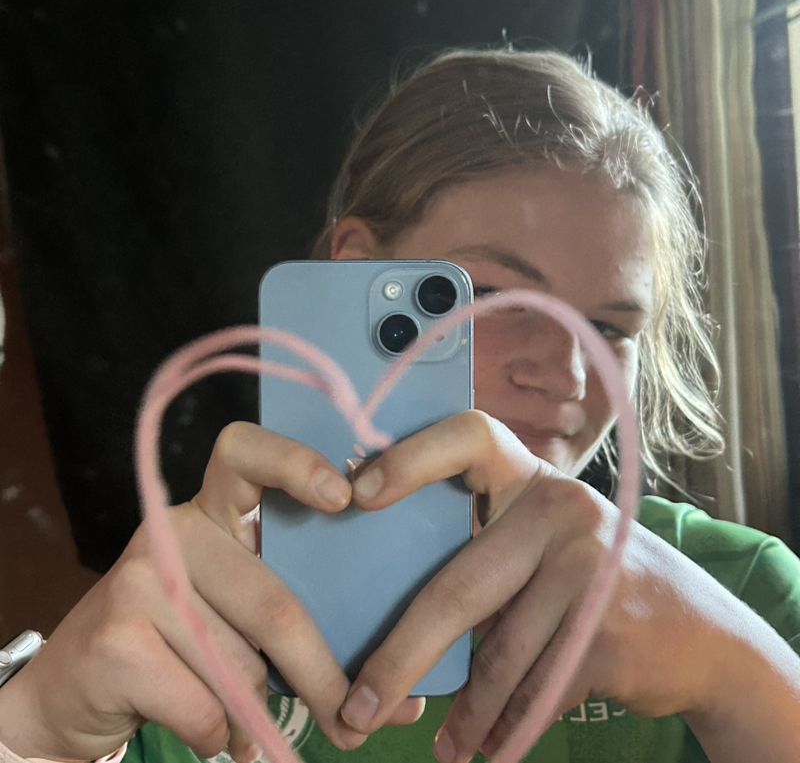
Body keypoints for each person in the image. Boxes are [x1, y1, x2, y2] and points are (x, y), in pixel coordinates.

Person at [1, 48, 799, 763]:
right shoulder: (202, 622)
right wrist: (32, 733)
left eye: (611, 329)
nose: (566, 373)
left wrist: (739, 679)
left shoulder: (744, 592)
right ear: (357, 270)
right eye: (494, 297)